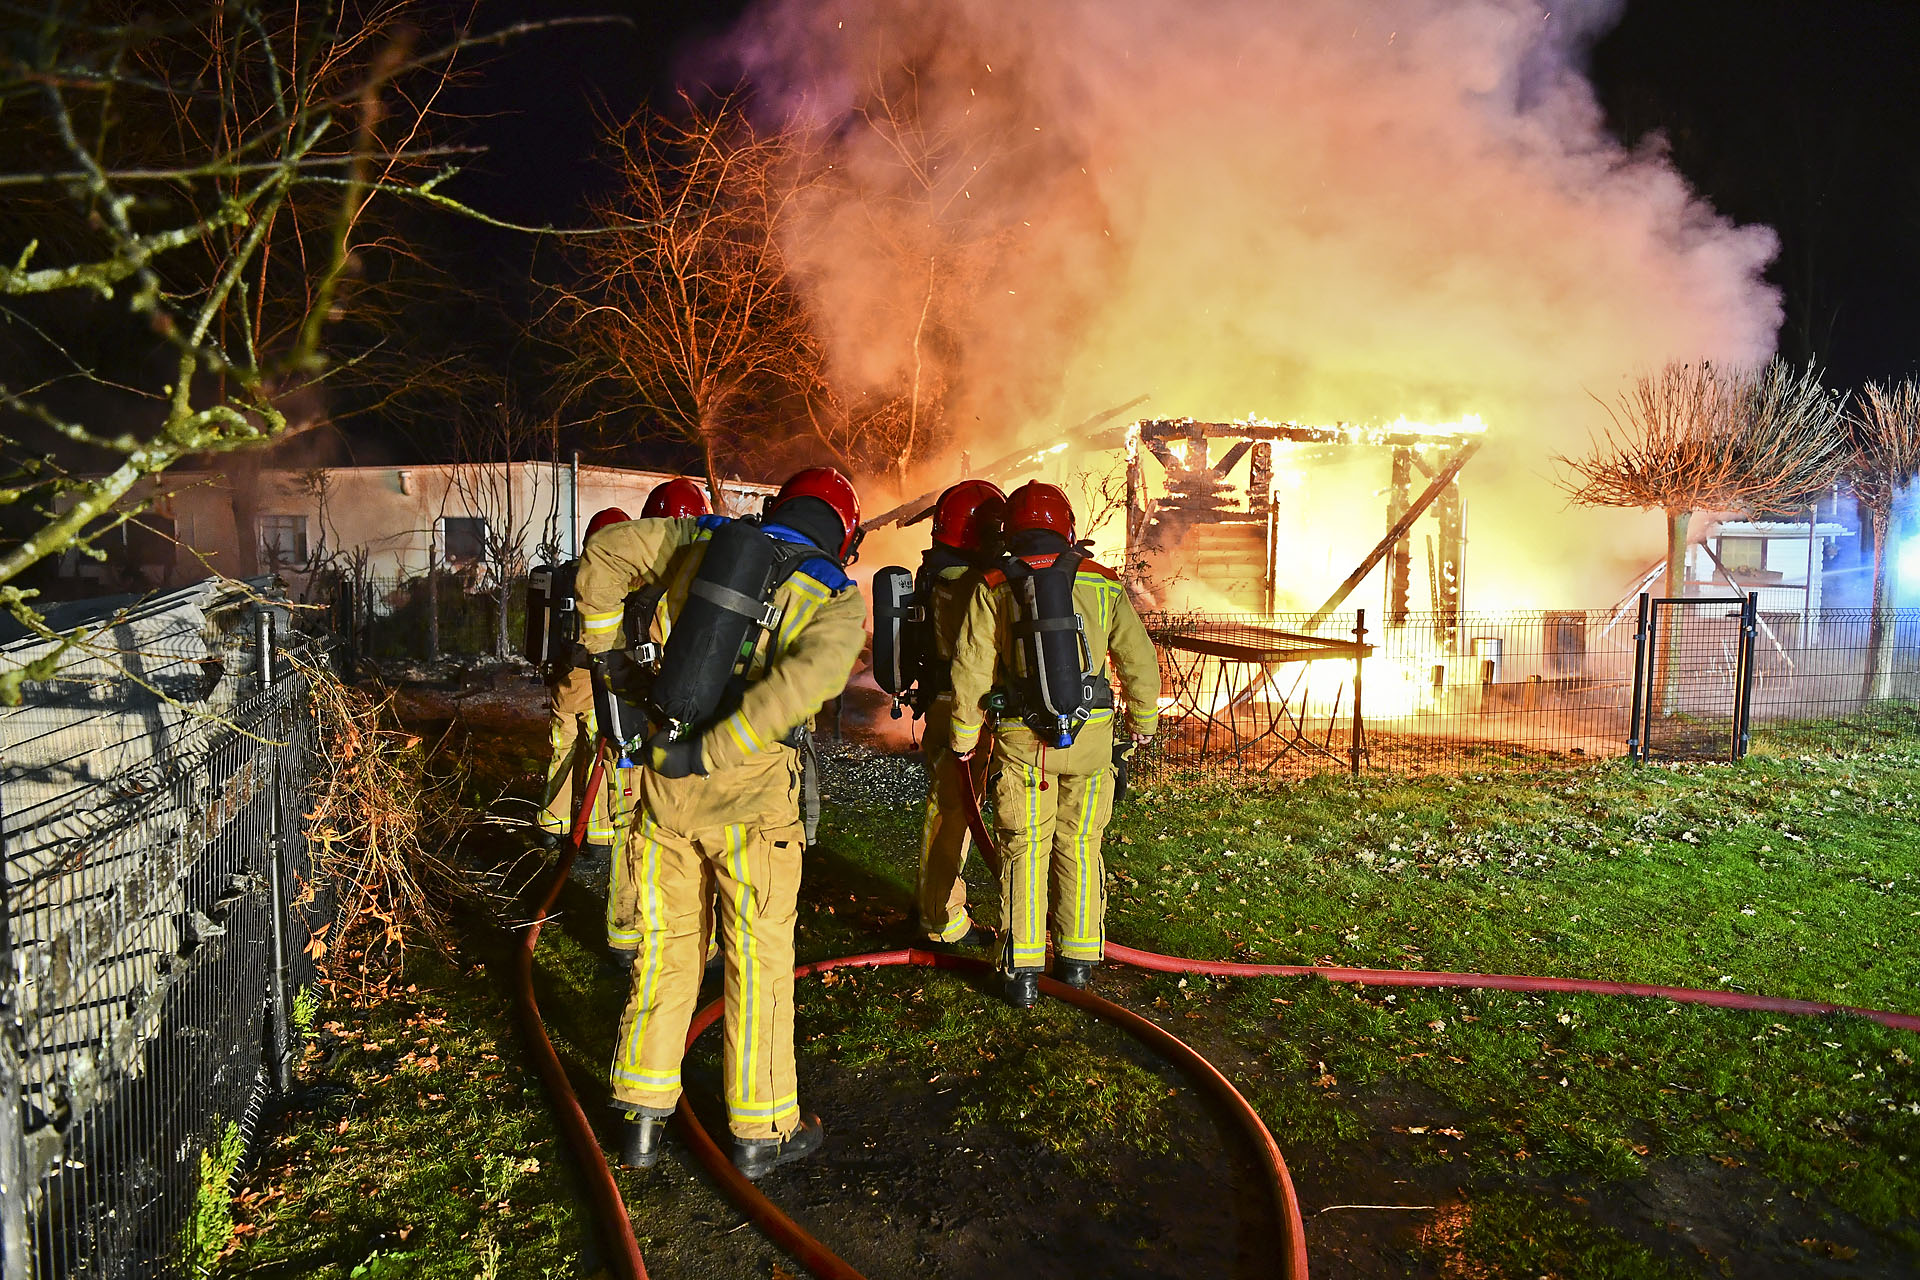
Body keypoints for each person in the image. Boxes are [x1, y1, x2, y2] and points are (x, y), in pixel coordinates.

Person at [575, 467, 866, 1178]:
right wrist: (716, 751)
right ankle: (761, 1133)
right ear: (844, 535)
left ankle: (642, 1117)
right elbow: (799, 691)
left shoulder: (698, 534)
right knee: (757, 962)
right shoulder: (834, 596)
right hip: (751, 806)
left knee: (666, 952)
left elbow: (604, 558)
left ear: (778, 504)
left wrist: (611, 658)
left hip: (665, 795)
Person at [947, 482, 1160, 1008]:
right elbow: (1138, 658)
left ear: (1010, 528)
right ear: (1066, 526)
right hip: (1091, 737)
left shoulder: (993, 584)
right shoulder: (1103, 582)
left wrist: (963, 737)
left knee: (1025, 849)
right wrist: (1144, 721)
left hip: (1023, 741)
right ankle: (1080, 961)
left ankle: (1021, 973)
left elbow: (972, 669)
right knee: (1081, 844)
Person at [605, 477, 712, 965]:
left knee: (635, 828)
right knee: (693, 835)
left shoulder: (632, 581)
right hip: (682, 728)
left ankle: (626, 936)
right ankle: (696, 943)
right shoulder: (705, 581)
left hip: (637, 721)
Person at [913, 480, 1007, 948]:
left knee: (951, 808)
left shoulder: (938, 570)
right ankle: (941, 918)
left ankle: (940, 908)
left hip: (945, 703)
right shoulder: (970, 583)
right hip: (964, 708)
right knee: (954, 811)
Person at [537, 506, 633, 857]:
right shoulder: (616, 576)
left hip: (565, 679)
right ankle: (600, 836)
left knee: (562, 749)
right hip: (599, 677)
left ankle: (552, 824)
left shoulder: (568, 574)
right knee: (601, 752)